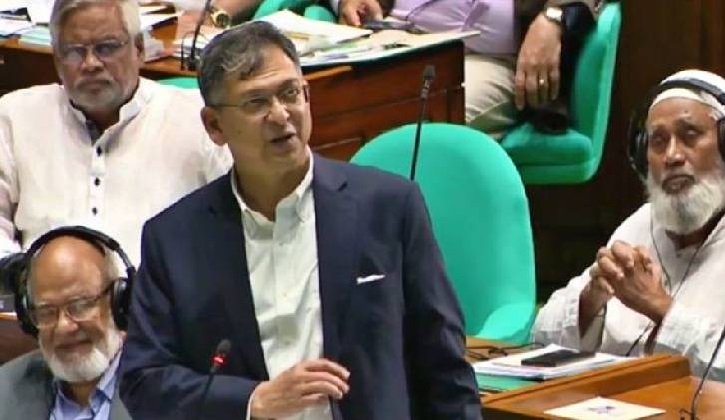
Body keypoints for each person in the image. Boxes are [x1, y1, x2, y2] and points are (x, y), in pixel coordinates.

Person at [119, 21, 480, 419]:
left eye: (290, 93)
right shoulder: (174, 238)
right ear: (214, 126)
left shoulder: (389, 207)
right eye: (256, 102)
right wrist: (252, 401)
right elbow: (144, 381)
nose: (280, 115)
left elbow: (444, 367)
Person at [0, 0, 231, 265]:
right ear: (56, 59)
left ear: (139, 49)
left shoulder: (197, 121)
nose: (90, 64)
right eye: (74, 51)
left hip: (159, 289)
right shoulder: (16, 116)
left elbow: (238, 223)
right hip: (43, 288)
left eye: (106, 48)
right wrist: (19, 275)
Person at [533, 69, 725, 380]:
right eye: (658, 141)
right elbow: (541, 334)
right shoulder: (642, 222)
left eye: (690, 135)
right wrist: (590, 300)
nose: (672, 155)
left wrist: (660, 307)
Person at [335, 0, 602, 137]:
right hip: (392, 38)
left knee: (413, 126)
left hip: (486, 59)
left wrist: (553, 19)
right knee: (332, 110)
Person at [0, 226, 134, 419]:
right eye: (47, 312)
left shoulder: (164, 391)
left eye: (80, 306)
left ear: (118, 302)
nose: (64, 327)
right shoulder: (6, 388)